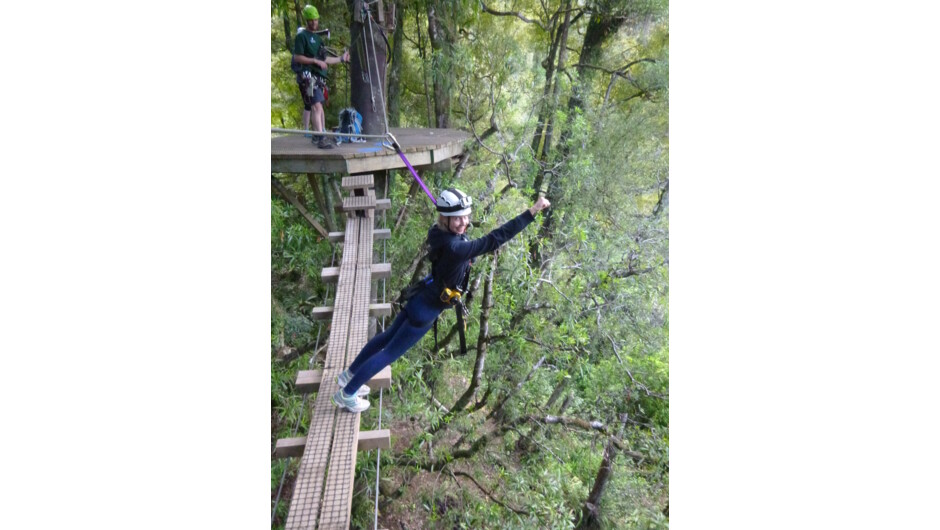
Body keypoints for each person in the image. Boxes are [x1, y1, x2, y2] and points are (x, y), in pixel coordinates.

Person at [332, 189, 551, 412]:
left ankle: (348, 376)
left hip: (422, 297)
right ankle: (347, 394)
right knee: (388, 353)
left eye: (466, 215)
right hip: (425, 310)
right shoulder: (456, 248)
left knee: (385, 338)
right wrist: (531, 212)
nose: (464, 222)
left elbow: (460, 236)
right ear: (445, 218)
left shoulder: (438, 232)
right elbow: (495, 238)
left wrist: (454, 218)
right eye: (457, 218)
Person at [293, 5, 350, 149]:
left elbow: (324, 60)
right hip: (307, 77)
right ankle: (320, 139)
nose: (314, 23)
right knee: (316, 107)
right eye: (311, 20)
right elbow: (298, 57)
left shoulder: (318, 39)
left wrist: (341, 59)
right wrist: (314, 61)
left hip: (318, 78)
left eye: (316, 20)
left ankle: (318, 135)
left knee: (319, 107)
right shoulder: (301, 37)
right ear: (307, 20)